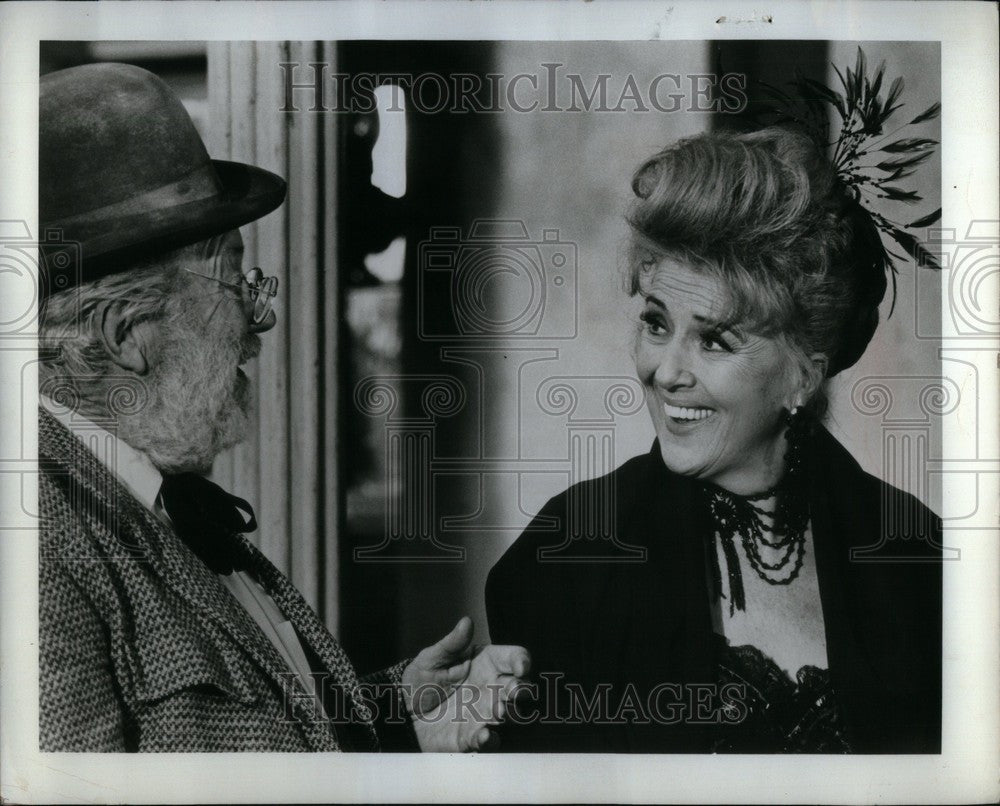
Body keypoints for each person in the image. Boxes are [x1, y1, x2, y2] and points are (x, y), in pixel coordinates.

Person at [38, 62, 528, 753]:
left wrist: (393, 714)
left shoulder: (143, 494)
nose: (258, 326)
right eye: (236, 288)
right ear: (128, 336)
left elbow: (223, 742)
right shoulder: (34, 549)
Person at [486, 125, 942, 753]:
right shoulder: (567, 559)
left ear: (803, 375)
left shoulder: (915, 557)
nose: (666, 372)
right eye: (655, 323)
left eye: (714, 340)